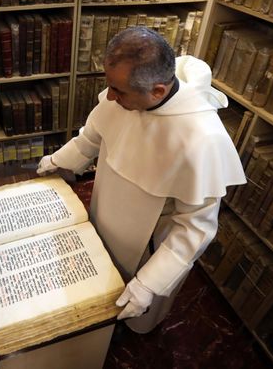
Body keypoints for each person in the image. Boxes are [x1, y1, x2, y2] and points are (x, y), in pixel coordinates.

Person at [37, 26, 246, 333]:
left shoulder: (202, 139)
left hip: (150, 244)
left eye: (118, 91)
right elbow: (91, 138)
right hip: (104, 208)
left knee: (138, 315)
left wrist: (150, 283)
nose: (109, 96)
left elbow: (195, 226)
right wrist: (57, 161)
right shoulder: (123, 95)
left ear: (157, 92)